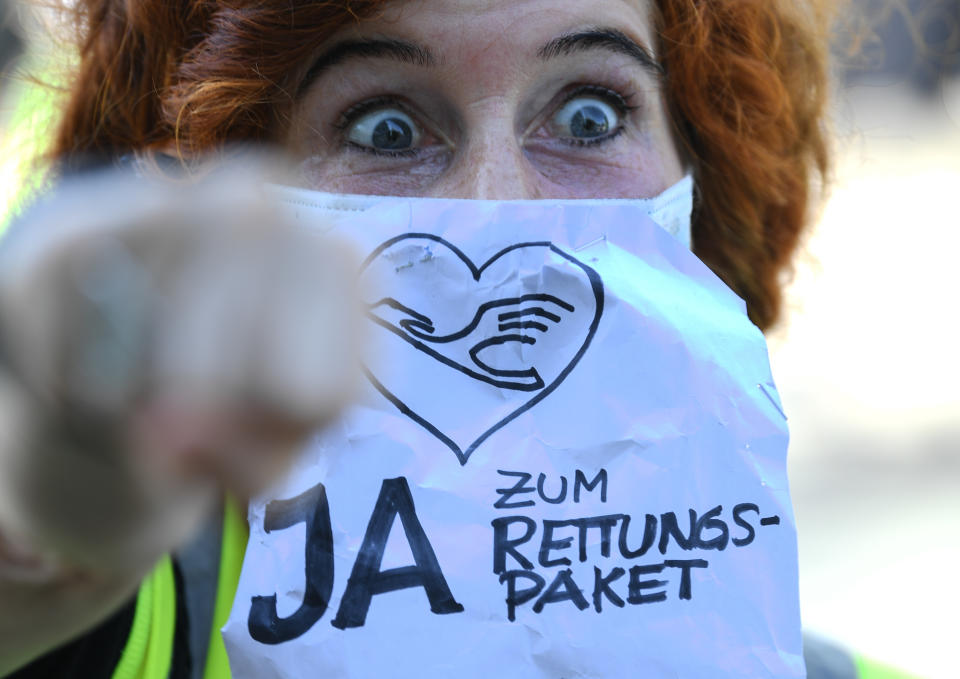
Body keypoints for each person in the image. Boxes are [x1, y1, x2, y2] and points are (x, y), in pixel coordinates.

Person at [0, 0, 905, 677]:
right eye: (385, 128)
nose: (495, 208)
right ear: (213, 196)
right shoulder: (127, 610)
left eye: (589, 114)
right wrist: (57, 499)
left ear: (702, 175)